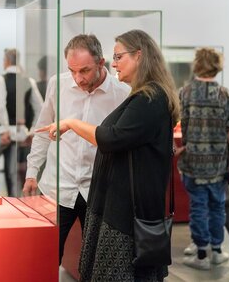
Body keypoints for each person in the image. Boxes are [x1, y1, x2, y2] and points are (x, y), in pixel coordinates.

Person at [37, 29, 179, 281]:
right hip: (100, 199)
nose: (115, 63)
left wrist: (71, 123)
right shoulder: (144, 96)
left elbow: (111, 138)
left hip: (127, 210)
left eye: (118, 56)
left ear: (139, 55)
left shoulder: (148, 98)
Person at [22, 34, 130, 265]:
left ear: (102, 63)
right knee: (48, 257)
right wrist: (32, 172)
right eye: (72, 70)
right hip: (59, 187)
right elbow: (42, 132)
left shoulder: (121, 93)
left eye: (85, 70)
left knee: (97, 262)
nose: (78, 78)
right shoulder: (57, 84)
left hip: (100, 191)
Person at [176, 48, 229, 269]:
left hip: (192, 164)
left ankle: (201, 254)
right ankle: (217, 251)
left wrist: (179, 148)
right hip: (218, 165)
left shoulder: (185, 93)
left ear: (196, 64)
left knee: (198, 207)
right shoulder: (226, 95)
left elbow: (176, 123)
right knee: (217, 206)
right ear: (217, 66)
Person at [0, 48, 43, 197]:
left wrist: (6, 129)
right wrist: (31, 131)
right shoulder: (28, 81)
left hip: (2, 133)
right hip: (20, 134)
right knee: (14, 175)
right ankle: (17, 207)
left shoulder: (1, 79)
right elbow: (40, 108)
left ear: (6, 61)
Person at [183, 184, 229, 263]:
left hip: (217, 173)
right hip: (197, 173)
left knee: (223, 200)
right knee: (200, 202)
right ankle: (200, 243)